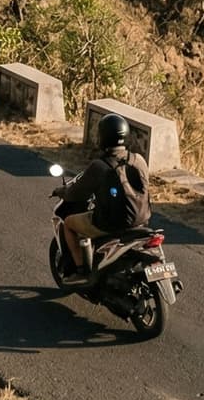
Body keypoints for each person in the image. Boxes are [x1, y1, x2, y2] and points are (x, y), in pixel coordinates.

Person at [52, 112, 152, 282]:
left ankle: (81, 270)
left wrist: (61, 191)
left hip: (110, 223)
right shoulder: (139, 160)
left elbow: (76, 193)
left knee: (68, 223)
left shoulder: (100, 166)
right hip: (141, 220)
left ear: (102, 137)